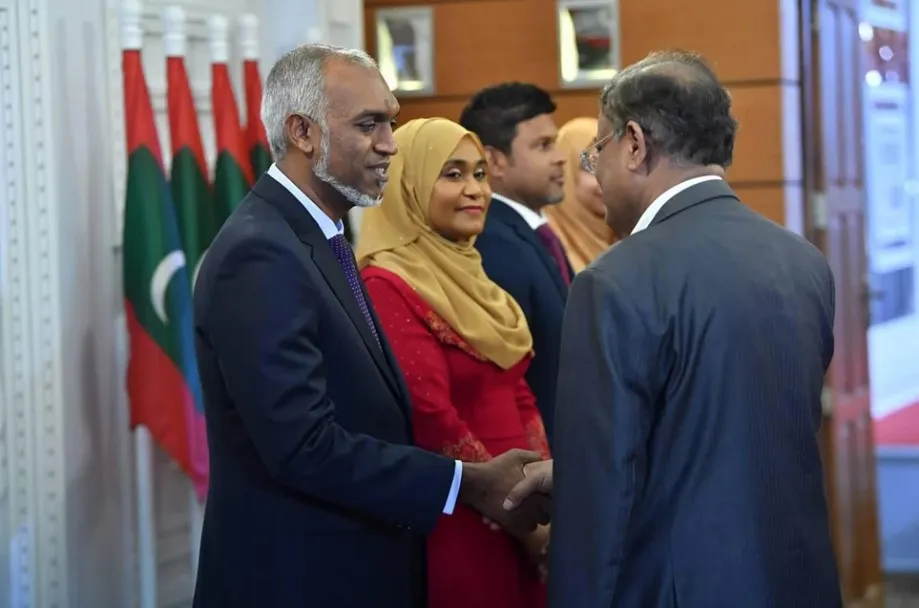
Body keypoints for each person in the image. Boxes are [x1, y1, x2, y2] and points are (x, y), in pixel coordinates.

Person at [191, 44, 542, 608]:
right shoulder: (260, 253)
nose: (389, 144)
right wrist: (465, 481)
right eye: (368, 124)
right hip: (297, 581)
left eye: (391, 123)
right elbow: (303, 446)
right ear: (302, 132)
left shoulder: (320, 237)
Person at [542, 50, 843, 607]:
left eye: (597, 150)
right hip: (797, 580)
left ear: (634, 144)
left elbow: (600, 495)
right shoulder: (802, 261)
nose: (595, 171)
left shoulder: (613, 280)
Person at [356, 117, 551, 608]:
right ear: (409, 184)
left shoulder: (475, 278)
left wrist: (542, 497)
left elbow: (518, 389)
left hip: (522, 507)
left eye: (480, 174)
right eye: (453, 174)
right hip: (462, 512)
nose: (474, 190)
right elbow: (430, 416)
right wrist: (515, 511)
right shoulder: (387, 285)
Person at [459, 83, 569, 442]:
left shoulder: (531, 232)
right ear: (494, 161)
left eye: (555, 143)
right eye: (543, 146)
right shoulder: (494, 243)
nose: (560, 157)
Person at [544, 117, 616, 272]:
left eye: (612, 166)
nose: (607, 180)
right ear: (566, 172)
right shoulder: (547, 243)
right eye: (590, 167)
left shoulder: (626, 236)